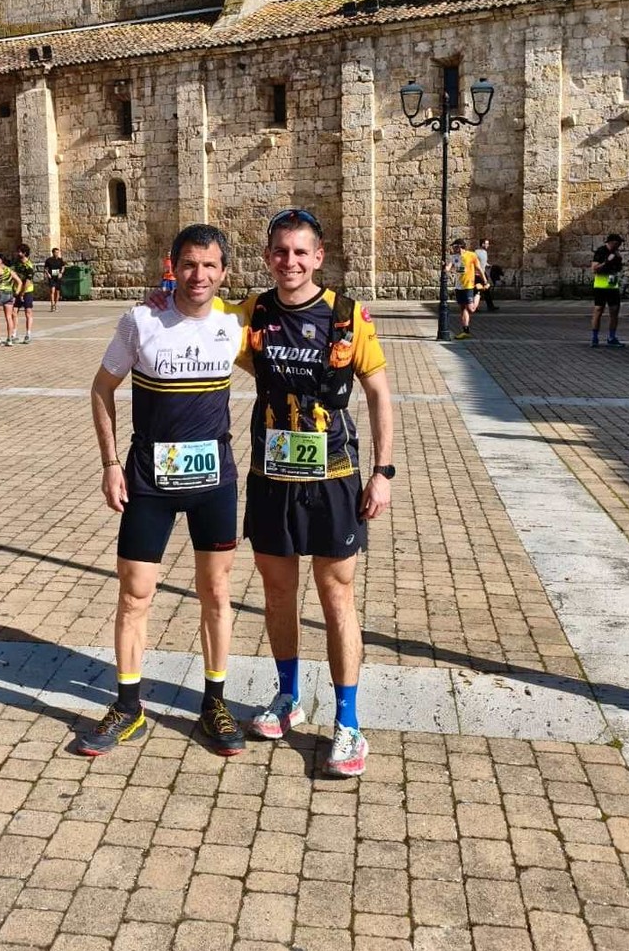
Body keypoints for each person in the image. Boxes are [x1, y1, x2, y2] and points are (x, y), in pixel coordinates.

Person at [78, 223, 246, 758]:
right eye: (189, 264)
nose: (199, 275)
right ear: (171, 266)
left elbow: (295, 322)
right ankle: (129, 707)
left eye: (210, 265)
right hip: (149, 481)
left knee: (216, 593)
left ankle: (214, 702)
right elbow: (102, 389)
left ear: (224, 272)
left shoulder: (235, 323)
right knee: (135, 594)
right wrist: (109, 463)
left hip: (213, 482)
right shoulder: (141, 320)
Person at [240, 208, 394, 778]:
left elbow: (379, 394)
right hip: (271, 479)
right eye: (280, 252)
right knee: (278, 595)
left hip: (333, 480)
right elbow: (197, 319)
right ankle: (288, 698)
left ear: (319, 257)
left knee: (336, 597)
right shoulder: (252, 313)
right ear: (268, 257)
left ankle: (348, 723)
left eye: (300, 252)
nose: (290, 262)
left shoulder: (349, 317)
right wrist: (164, 300)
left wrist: (383, 472)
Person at [449, 238, 488, 340]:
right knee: (463, 309)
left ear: (460, 247)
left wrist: (485, 282)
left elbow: (479, 269)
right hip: (459, 287)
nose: (453, 248)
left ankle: (478, 292)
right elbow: (449, 268)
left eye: (455, 246)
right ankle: (465, 331)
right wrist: (445, 268)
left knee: (471, 309)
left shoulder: (471, 255)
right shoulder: (454, 257)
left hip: (469, 286)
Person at [591, 233, 625, 347]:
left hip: (612, 286)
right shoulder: (601, 251)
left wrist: (618, 260)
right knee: (598, 310)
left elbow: (618, 269)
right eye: (618, 243)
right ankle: (594, 338)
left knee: (614, 312)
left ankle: (611, 337)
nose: (619, 245)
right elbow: (594, 269)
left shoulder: (616, 253)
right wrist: (606, 262)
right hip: (600, 286)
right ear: (613, 242)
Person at [0, 254, 22, 346]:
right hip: (9, 294)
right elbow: (19, 282)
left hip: (0, 293)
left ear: (0, 260)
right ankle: (9, 339)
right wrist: (16, 293)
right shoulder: (9, 270)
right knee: (9, 317)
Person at [14, 245, 36, 343]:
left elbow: (28, 281)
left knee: (28, 312)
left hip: (27, 291)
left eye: (20, 252)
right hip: (16, 290)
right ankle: (14, 333)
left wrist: (22, 293)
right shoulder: (16, 264)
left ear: (25, 253)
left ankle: (28, 334)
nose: (18, 253)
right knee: (13, 312)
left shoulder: (29, 265)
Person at [475, 238, 498, 311]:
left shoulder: (485, 252)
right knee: (477, 290)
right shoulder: (476, 252)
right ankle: (476, 306)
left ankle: (490, 306)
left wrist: (489, 265)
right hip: (477, 274)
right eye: (486, 243)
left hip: (483, 273)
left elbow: (484, 262)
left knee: (485, 290)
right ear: (482, 244)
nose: (488, 245)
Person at [44, 247, 65, 313]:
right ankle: (52, 305)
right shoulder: (49, 260)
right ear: (53, 253)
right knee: (52, 291)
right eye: (56, 252)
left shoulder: (60, 260)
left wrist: (61, 273)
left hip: (58, 277)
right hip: (52, 277)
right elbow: (46, 268)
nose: (57, 253)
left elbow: (63, 267)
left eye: (58, 252)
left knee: (57, 292)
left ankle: (55, 305)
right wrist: (48, 274)